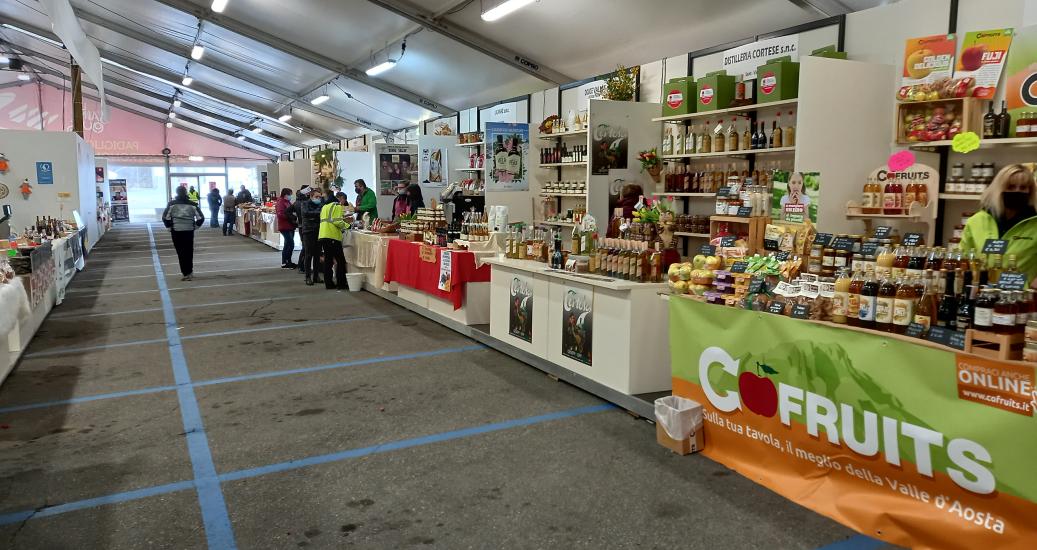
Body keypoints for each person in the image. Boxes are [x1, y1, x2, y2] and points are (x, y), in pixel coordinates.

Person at [961, 164, 1037, 286]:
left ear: (1030, 191)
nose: (1017, 191)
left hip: (1020, 299)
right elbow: (963, 260)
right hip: (981, 295)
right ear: (998, 189)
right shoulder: (975, 221)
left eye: (1023, 188)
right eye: (1011, 187)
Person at [162, 186, 205, 281]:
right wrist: (195, 227)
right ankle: (190, 272)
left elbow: (165, 217)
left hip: (176, 231)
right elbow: (201, 218)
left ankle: (185, 273)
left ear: (177, 193)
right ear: (186, 193)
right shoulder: (193, 204)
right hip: (189, 231)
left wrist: (169, 227)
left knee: (180, 252)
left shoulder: (171, 204)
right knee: (189, 251)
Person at [319, 192, 350, 290]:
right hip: (332, 236)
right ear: (340, 198)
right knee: (340, 261)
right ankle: (341, 283)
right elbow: (337, 221)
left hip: (323, 234)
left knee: (328, 260)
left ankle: (328, 283)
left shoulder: (325, 206)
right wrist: (348, 226)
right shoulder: (336, 205)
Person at [299, 187, 325, 285]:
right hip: (308, 231)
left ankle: (316, 276)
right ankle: (308, 276)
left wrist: (314, 215)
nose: (318, 199)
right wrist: (317, 214)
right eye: (316, 197)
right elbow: (306, 214)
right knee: (308, 254)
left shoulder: (321, 204)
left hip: (319, 231)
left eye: (320, 197)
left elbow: (320, 214)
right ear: (311, 196)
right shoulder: (304, 204)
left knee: (317, 255)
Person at [275, 188, 298, 269]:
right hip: (285, 226)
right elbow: (280, 214)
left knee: (287, 244)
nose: (290, 196)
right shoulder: (280, 202)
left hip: (290, 225)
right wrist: (291, 216)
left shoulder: (287, 202)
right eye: (290, 194)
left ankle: (286, 261)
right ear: (285, 195)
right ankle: (286, 261)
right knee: (290, 244)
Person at [293, 187, 310, 273]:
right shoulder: (303, 203)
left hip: (301, 226)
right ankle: (301, 266)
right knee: (306, 248)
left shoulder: (297, 203)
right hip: (305, 227)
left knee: (305, 248)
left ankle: (301, 266)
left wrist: (295, 219)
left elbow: (288, 212)